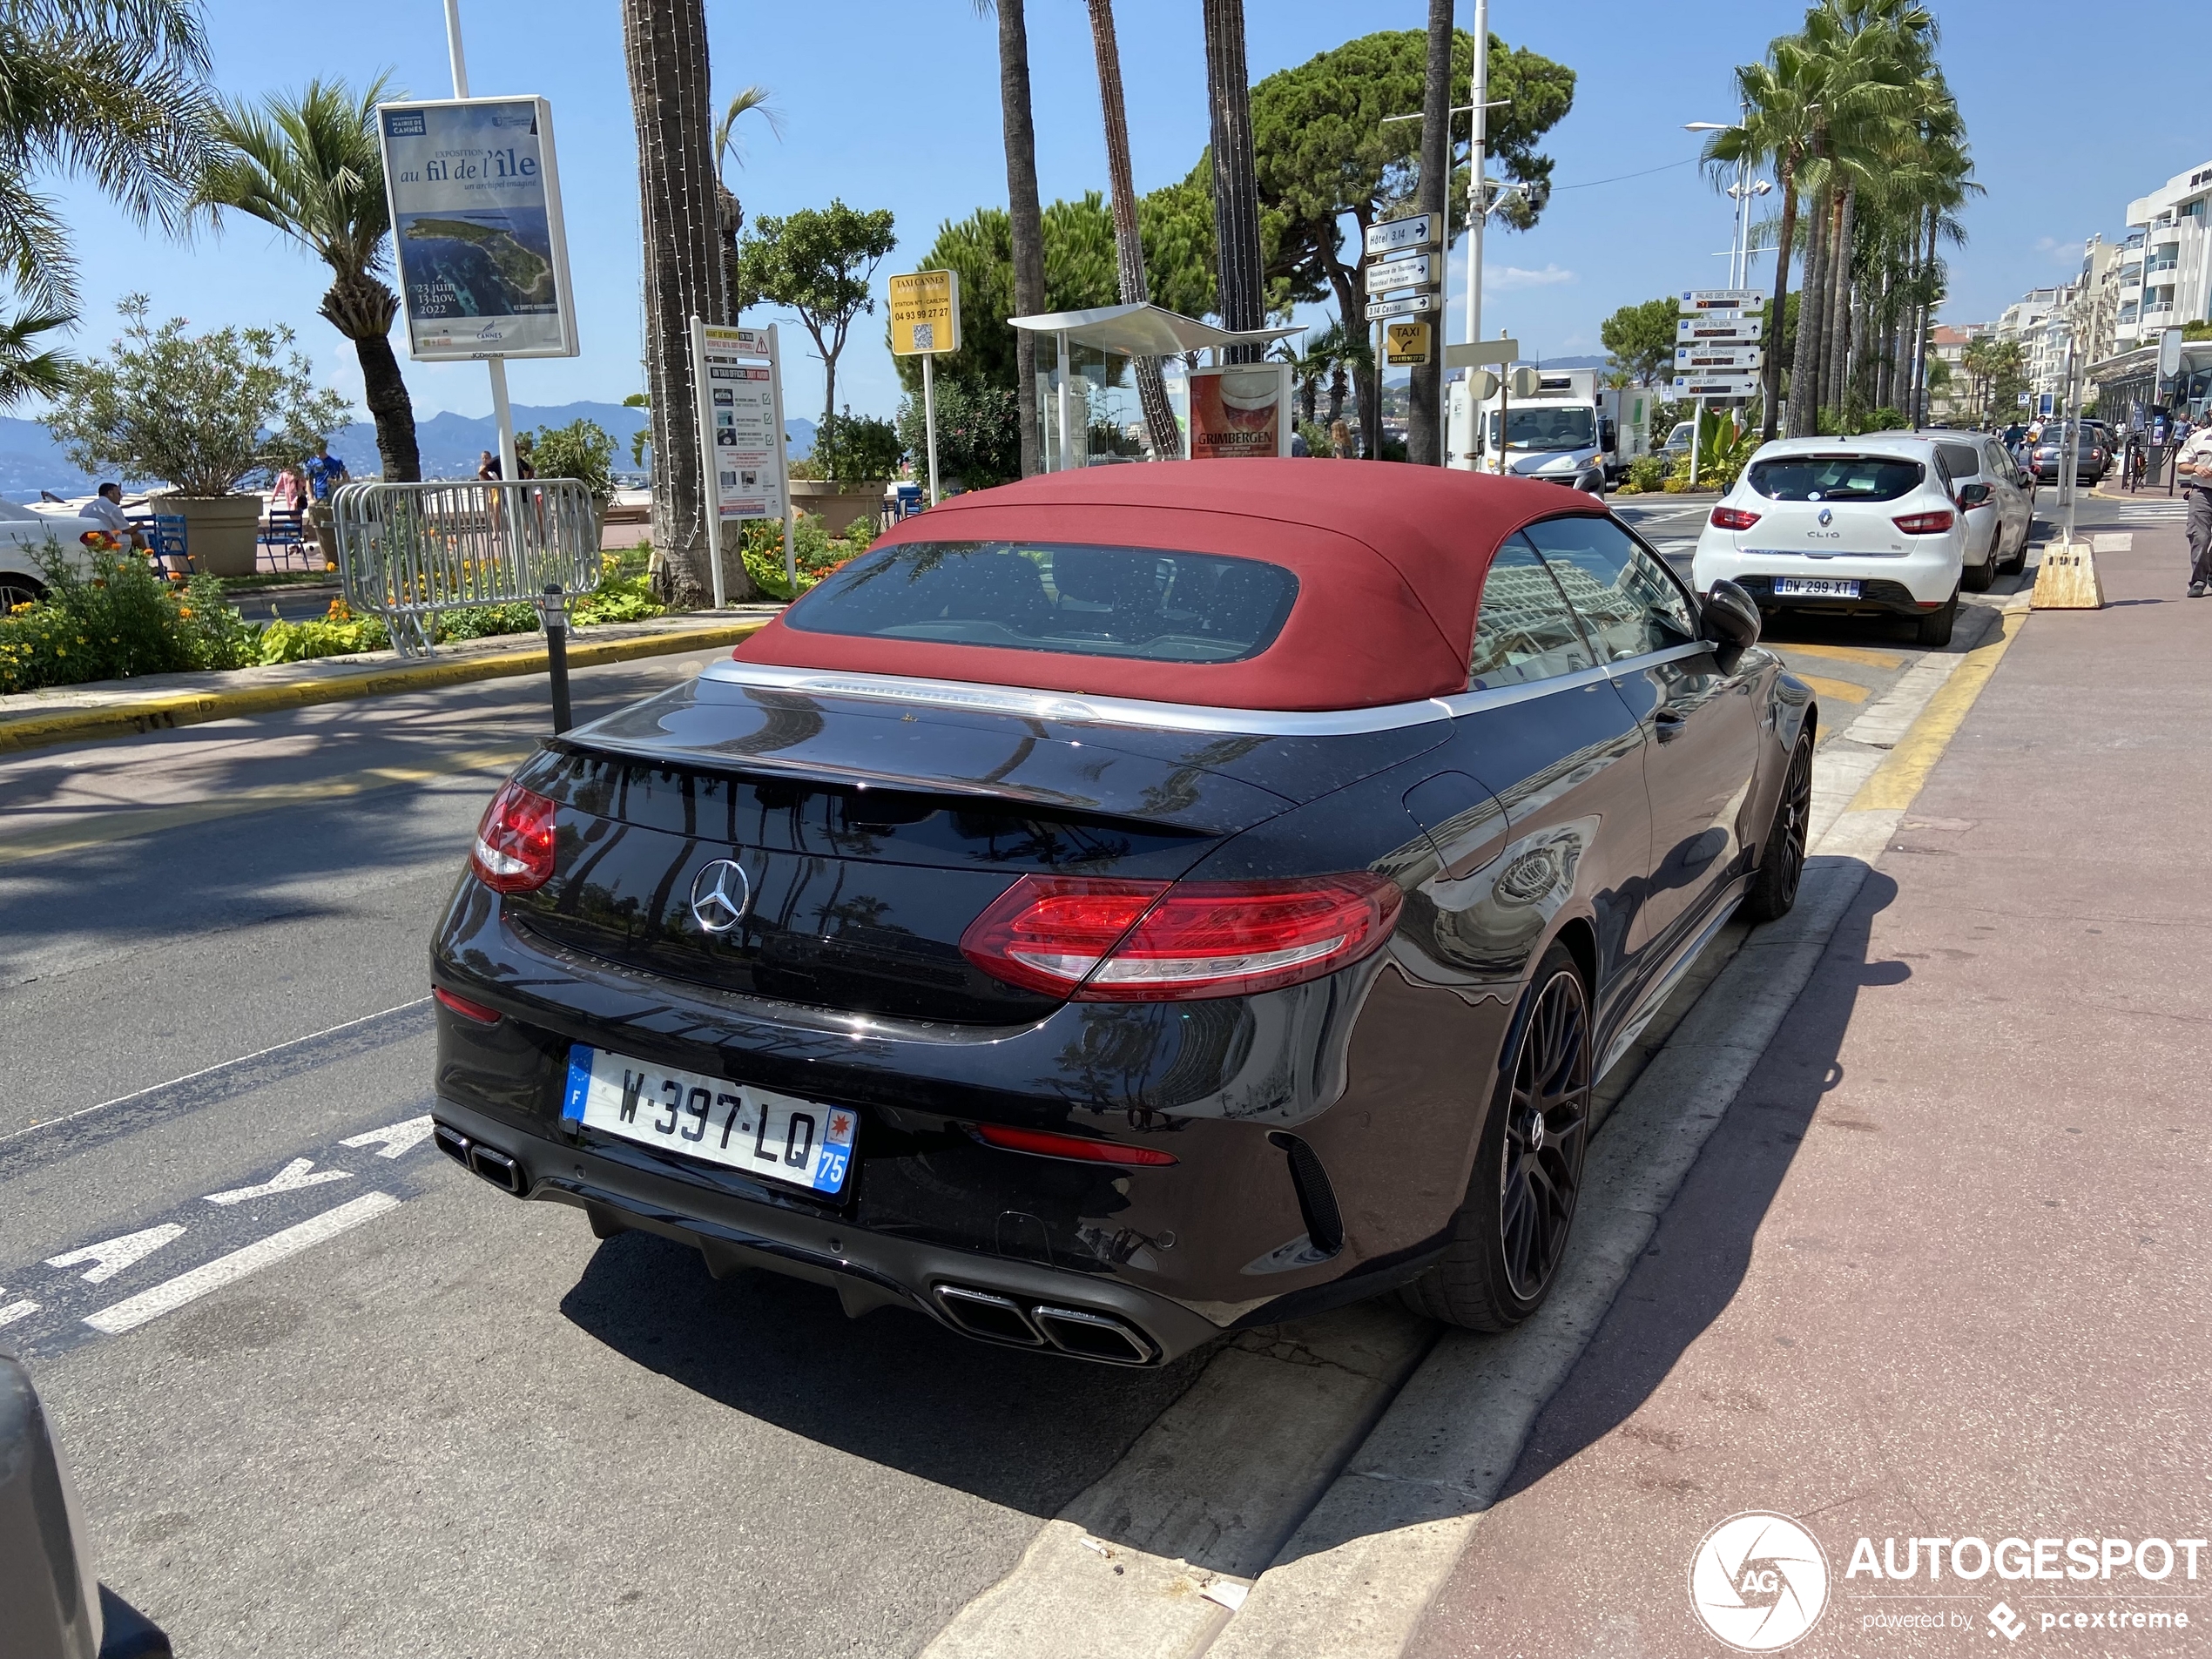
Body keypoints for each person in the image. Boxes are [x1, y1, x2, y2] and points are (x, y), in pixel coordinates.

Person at [2175, 417, 2212, 596]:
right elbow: (2181, 466)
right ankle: (2198, 580)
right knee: (2200, 537)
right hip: (2202, 492)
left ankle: (2210, 568)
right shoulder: (2200, 437)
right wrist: (2196, 468)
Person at [82, 482, 145, 550]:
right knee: (138, 537)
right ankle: (143, 559)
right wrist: (138, 525)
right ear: (110, 493)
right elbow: (127, 530)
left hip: (87, 541)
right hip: (105, 541)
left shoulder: (87, 507)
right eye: (118, 493)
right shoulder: (112, 508)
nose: (121, 497)